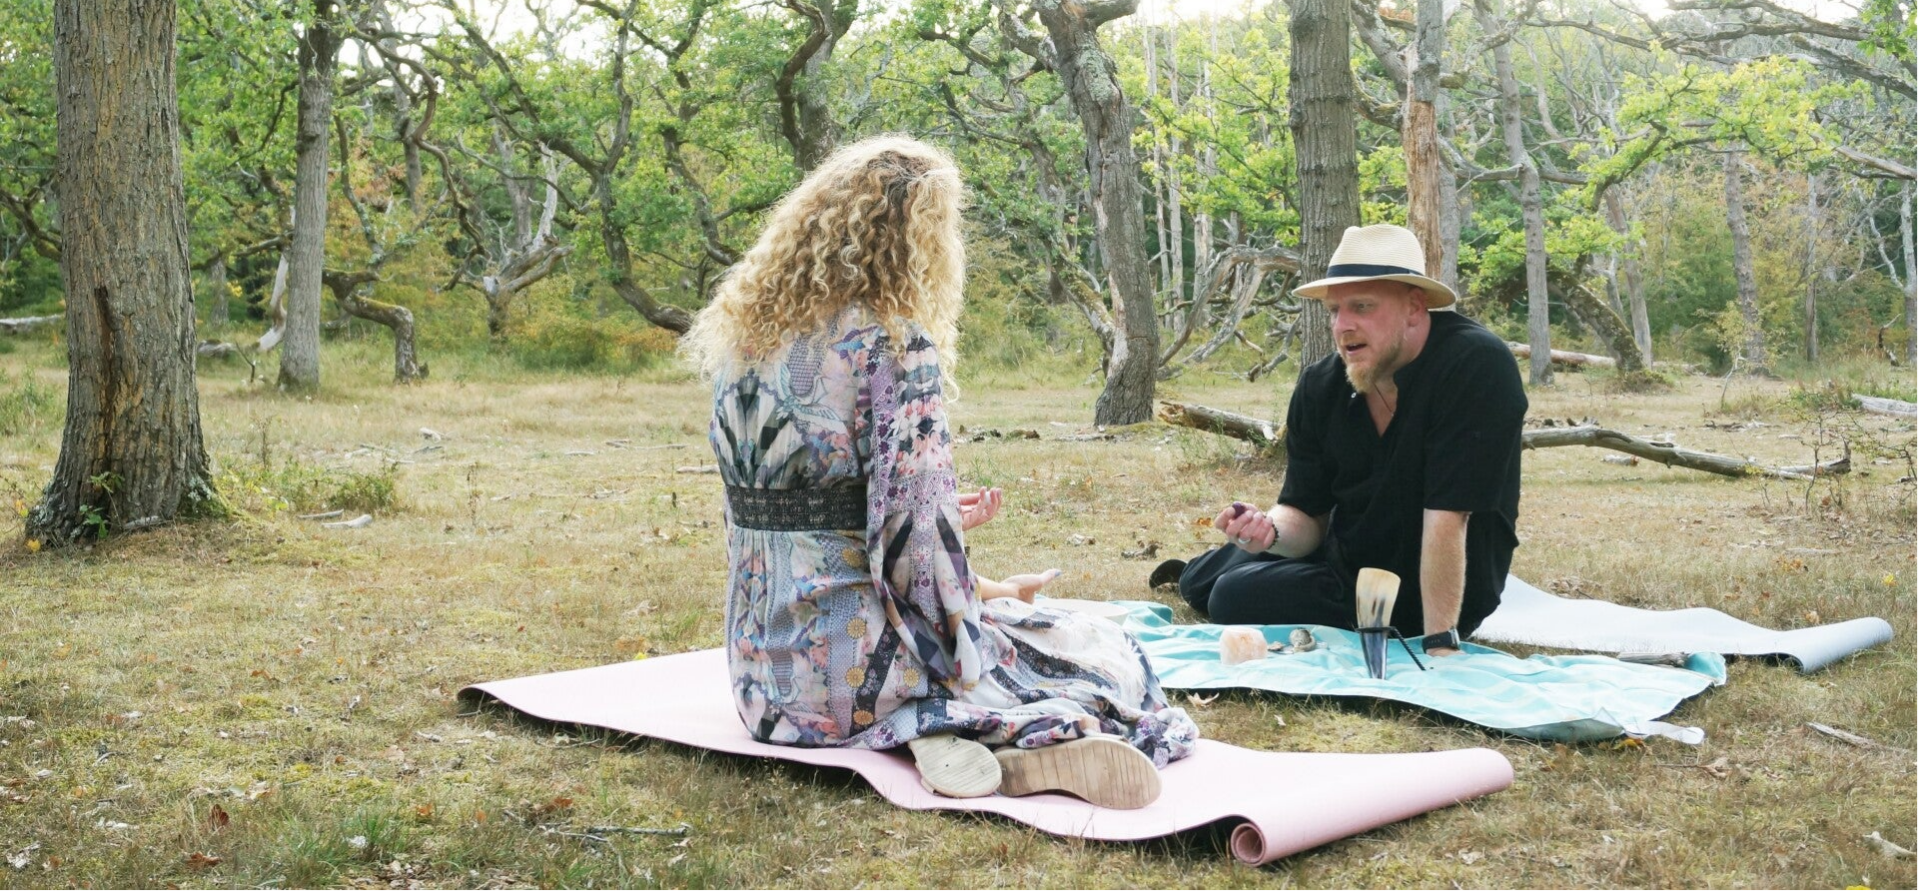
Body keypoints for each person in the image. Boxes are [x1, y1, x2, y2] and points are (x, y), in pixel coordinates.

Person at [680, 135, 1196, 809]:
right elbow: (913, 553)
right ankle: (979, 726)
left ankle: (944, 730)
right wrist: (981, 604)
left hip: (763, 685)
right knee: (1103, 650)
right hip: (858, 679)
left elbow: (771, 519)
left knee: (1014, 622)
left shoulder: (744, 341)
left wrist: (941, 523)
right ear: (917, 237)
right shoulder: (891, 342)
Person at [1156, 224, 1527, 657]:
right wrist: (1269, 532)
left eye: (1362, 306)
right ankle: (1202, 571)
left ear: (1414, 306)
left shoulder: (1475, 366)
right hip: (1345, 556)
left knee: (1228, 596)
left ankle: (1219, 574)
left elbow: (1449, 517)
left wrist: (1440, 643)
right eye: (1334, 310)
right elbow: (1306, 513)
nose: (1342, 325)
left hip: (1422, 588)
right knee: (1202, 581)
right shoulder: (1322, 384)